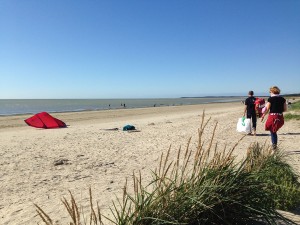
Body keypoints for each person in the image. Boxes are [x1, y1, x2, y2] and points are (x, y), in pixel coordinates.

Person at [261, 86, 287, 150]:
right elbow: (285, 109)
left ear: (272, 91)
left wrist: (263, 115)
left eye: (270, 92)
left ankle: (274, 146)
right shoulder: (283, 99)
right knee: (274, 131)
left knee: (273, 131)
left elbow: (267, 109)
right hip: (280, 117)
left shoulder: (270, 99)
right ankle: (274, 145)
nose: (269, 93)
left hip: (273, 116)